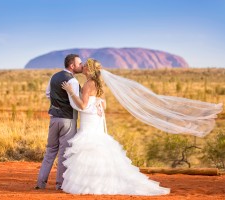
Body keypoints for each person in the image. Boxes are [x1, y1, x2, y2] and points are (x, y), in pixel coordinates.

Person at [60, 58, 171, 195]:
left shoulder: (89, 84)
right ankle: (98, 181)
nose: (82, 67)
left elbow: (82, 106)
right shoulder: (99, 83)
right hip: (96, 119)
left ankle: (92, 185)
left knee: (89, 147)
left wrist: (70, 92)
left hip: (89, 120)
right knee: (98, 146)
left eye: (85, 66)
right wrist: (97, 103)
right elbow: (104, 105)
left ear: (89, 69)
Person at [35, 54, 98, 190]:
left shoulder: (54, 77)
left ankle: (40, 183)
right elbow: (75, 104)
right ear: (72, 66)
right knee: (64, 153)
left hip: (54, 119)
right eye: (79, 63)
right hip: (68, 120)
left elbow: (48, 94)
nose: (82, 65)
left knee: (50, 151)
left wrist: (57, 103)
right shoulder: (73, 81)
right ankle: (60, 185)